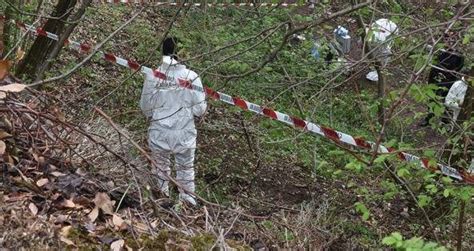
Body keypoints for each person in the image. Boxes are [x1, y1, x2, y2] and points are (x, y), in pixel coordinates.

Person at [140, 37, 207, 206]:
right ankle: (187, 205)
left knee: (160, 170)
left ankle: (161, 204)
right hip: (184, 132)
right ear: (182, 54)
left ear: (162, 52)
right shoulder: (192, 77)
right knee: (185, 170)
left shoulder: (153, 76)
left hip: (159, 130)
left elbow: (145, 107)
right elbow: (200, 109)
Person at [420, 49, 464, 126]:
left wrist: (449, 76)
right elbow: (435, 60)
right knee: (432, 97)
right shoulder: (441, 48)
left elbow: (459, 67)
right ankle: (429, 118)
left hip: (449, 79)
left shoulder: (459, 54)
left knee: (447, 98)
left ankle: (445, 122)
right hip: (436, 75)